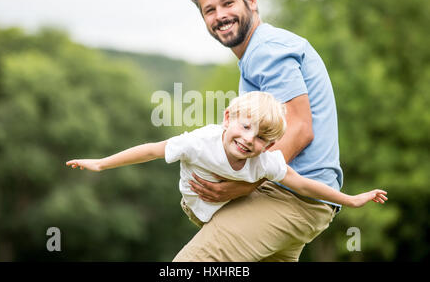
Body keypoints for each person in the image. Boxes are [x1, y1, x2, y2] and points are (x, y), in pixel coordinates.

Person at [170, 0, 349, 261]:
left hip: (289, 197)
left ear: (251, 0)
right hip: (302, 200)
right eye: (209, 10)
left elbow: (301, 128)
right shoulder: (261, 51)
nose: (220, 16)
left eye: (228, 3)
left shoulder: (265, 51)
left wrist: (244, 185)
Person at [66, 92, 387, 229]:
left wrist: (350, 199)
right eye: (245, 127)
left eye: (261, 137)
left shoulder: (265, 161)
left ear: (271, 144)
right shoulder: (199, 142)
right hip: (196, 209)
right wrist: (101, 163)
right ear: (227, 118)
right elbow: (151, 149)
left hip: (232, 210)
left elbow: (302, 183)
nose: (249, 139)